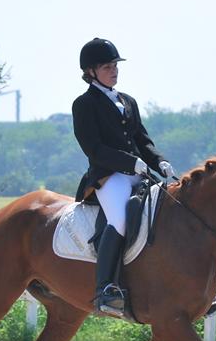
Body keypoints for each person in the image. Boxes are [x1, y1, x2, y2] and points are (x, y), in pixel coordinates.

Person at [72, 37, 176, 318]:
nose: (114, 71)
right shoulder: (84, 104)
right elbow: (94, 148)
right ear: (91, 71)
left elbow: (143, 139)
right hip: (109, 177)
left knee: (169, 213)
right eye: (107, 66)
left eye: (115, 65)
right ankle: (106, 288)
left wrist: (160, 161)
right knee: (119, 219)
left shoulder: (127, 101)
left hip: (139, 171)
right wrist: (132, 162)